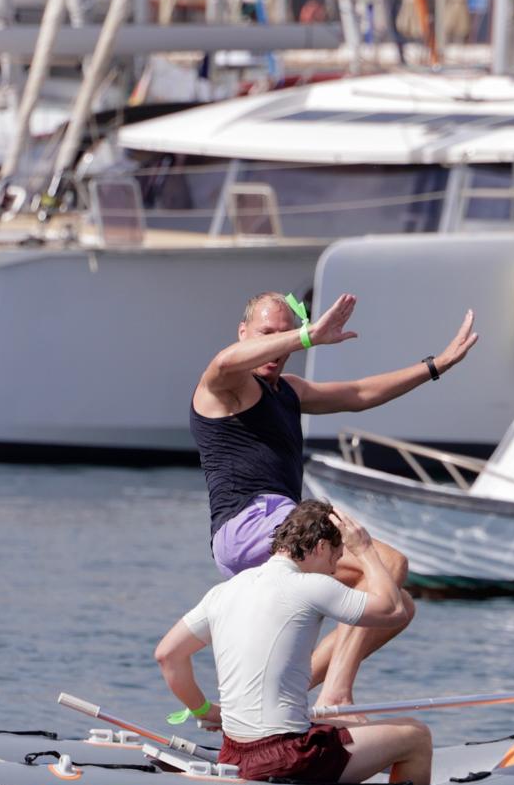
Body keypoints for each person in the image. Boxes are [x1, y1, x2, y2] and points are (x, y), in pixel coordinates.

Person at [189, 291, 477, 705]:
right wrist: (307, 336)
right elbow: (225, 361)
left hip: (279, 527)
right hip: (249, 524)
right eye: (267, 334)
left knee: (396, 607)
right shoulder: (228, 386)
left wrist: (437, 366)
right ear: (243, 333)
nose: (277, 344)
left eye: (284, 334)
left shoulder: (287, 391)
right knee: (390, 564)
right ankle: (337, 693)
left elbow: (360, 394)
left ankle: (268, 700)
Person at [154, 500, 431, 785]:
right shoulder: (310, 586)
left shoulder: (223, 592)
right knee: (416, 735)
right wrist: (364, 551)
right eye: (335, 559)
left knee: (340, 725)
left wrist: (206, 711)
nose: (334, 571)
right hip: (287, 757)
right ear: (321, 547)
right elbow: (393, 610)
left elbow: (167, 655)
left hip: (233, 754)